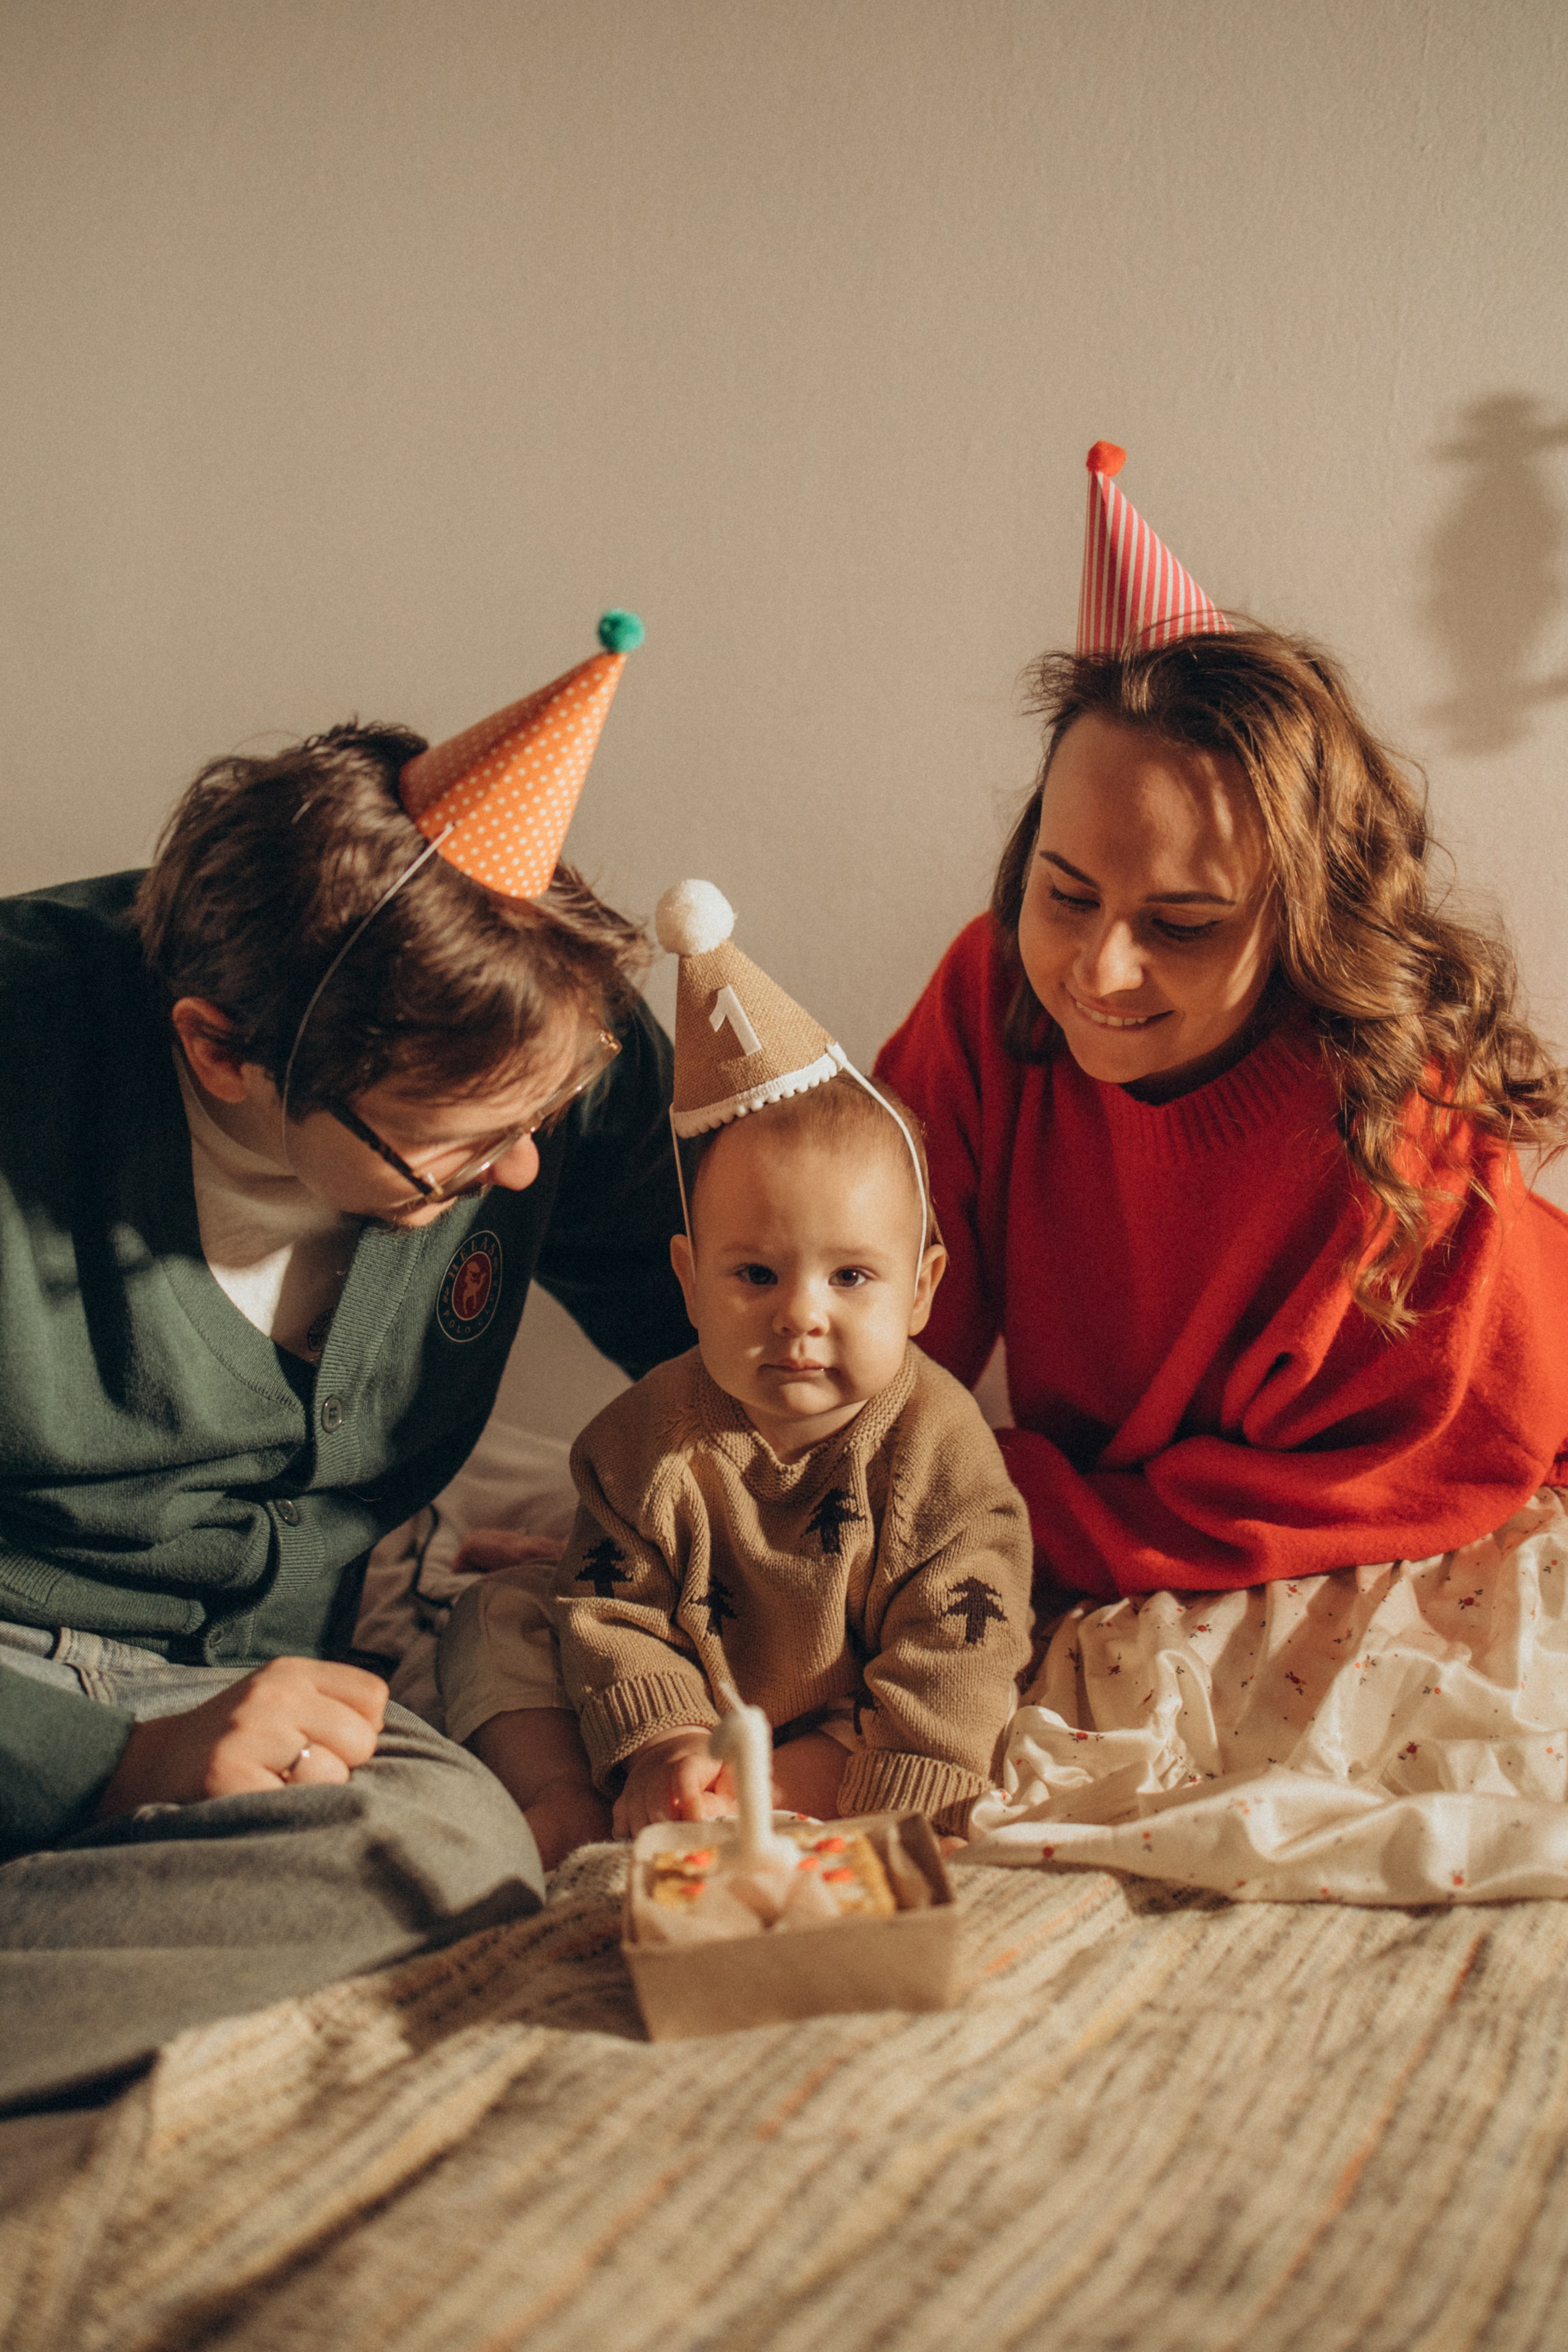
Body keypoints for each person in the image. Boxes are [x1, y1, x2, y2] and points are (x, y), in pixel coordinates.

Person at [0, 615, 695, 2111]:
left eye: (537, 1127)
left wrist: (682, 1560)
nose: (518, 1176)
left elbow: (733, 1354)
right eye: (452, 1154)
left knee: (444, 1861)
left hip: (279, 1700)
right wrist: (92, 1762)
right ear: (223, 1051)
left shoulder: (542, 1054)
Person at [876, 473, 1568, 1602]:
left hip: (1473, 1463)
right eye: (1066, 894)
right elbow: (872, 1329)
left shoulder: (1399, 1116)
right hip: (1118, 1504)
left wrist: (971, 1519)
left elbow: (1406, 1469)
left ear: (1302, 922)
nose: (1099, 973)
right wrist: (726, 1524)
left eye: (1181, 926)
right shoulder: (993, 990)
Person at [436, 884, 1033, 1864]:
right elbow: (611, 1608)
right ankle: (566, 1804)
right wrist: (662, 1742)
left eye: (851, 1277)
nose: (802, 1313)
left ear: (921, 1289)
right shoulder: (645, 1442)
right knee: (496, 1618)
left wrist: (896, 1793)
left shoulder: (939, 1451)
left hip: (838, 1708)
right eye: (755, 1274)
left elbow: (961, 1638)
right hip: (686, 1679)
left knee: (953, 1686)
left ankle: (774, 1795)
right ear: (693, 1284)